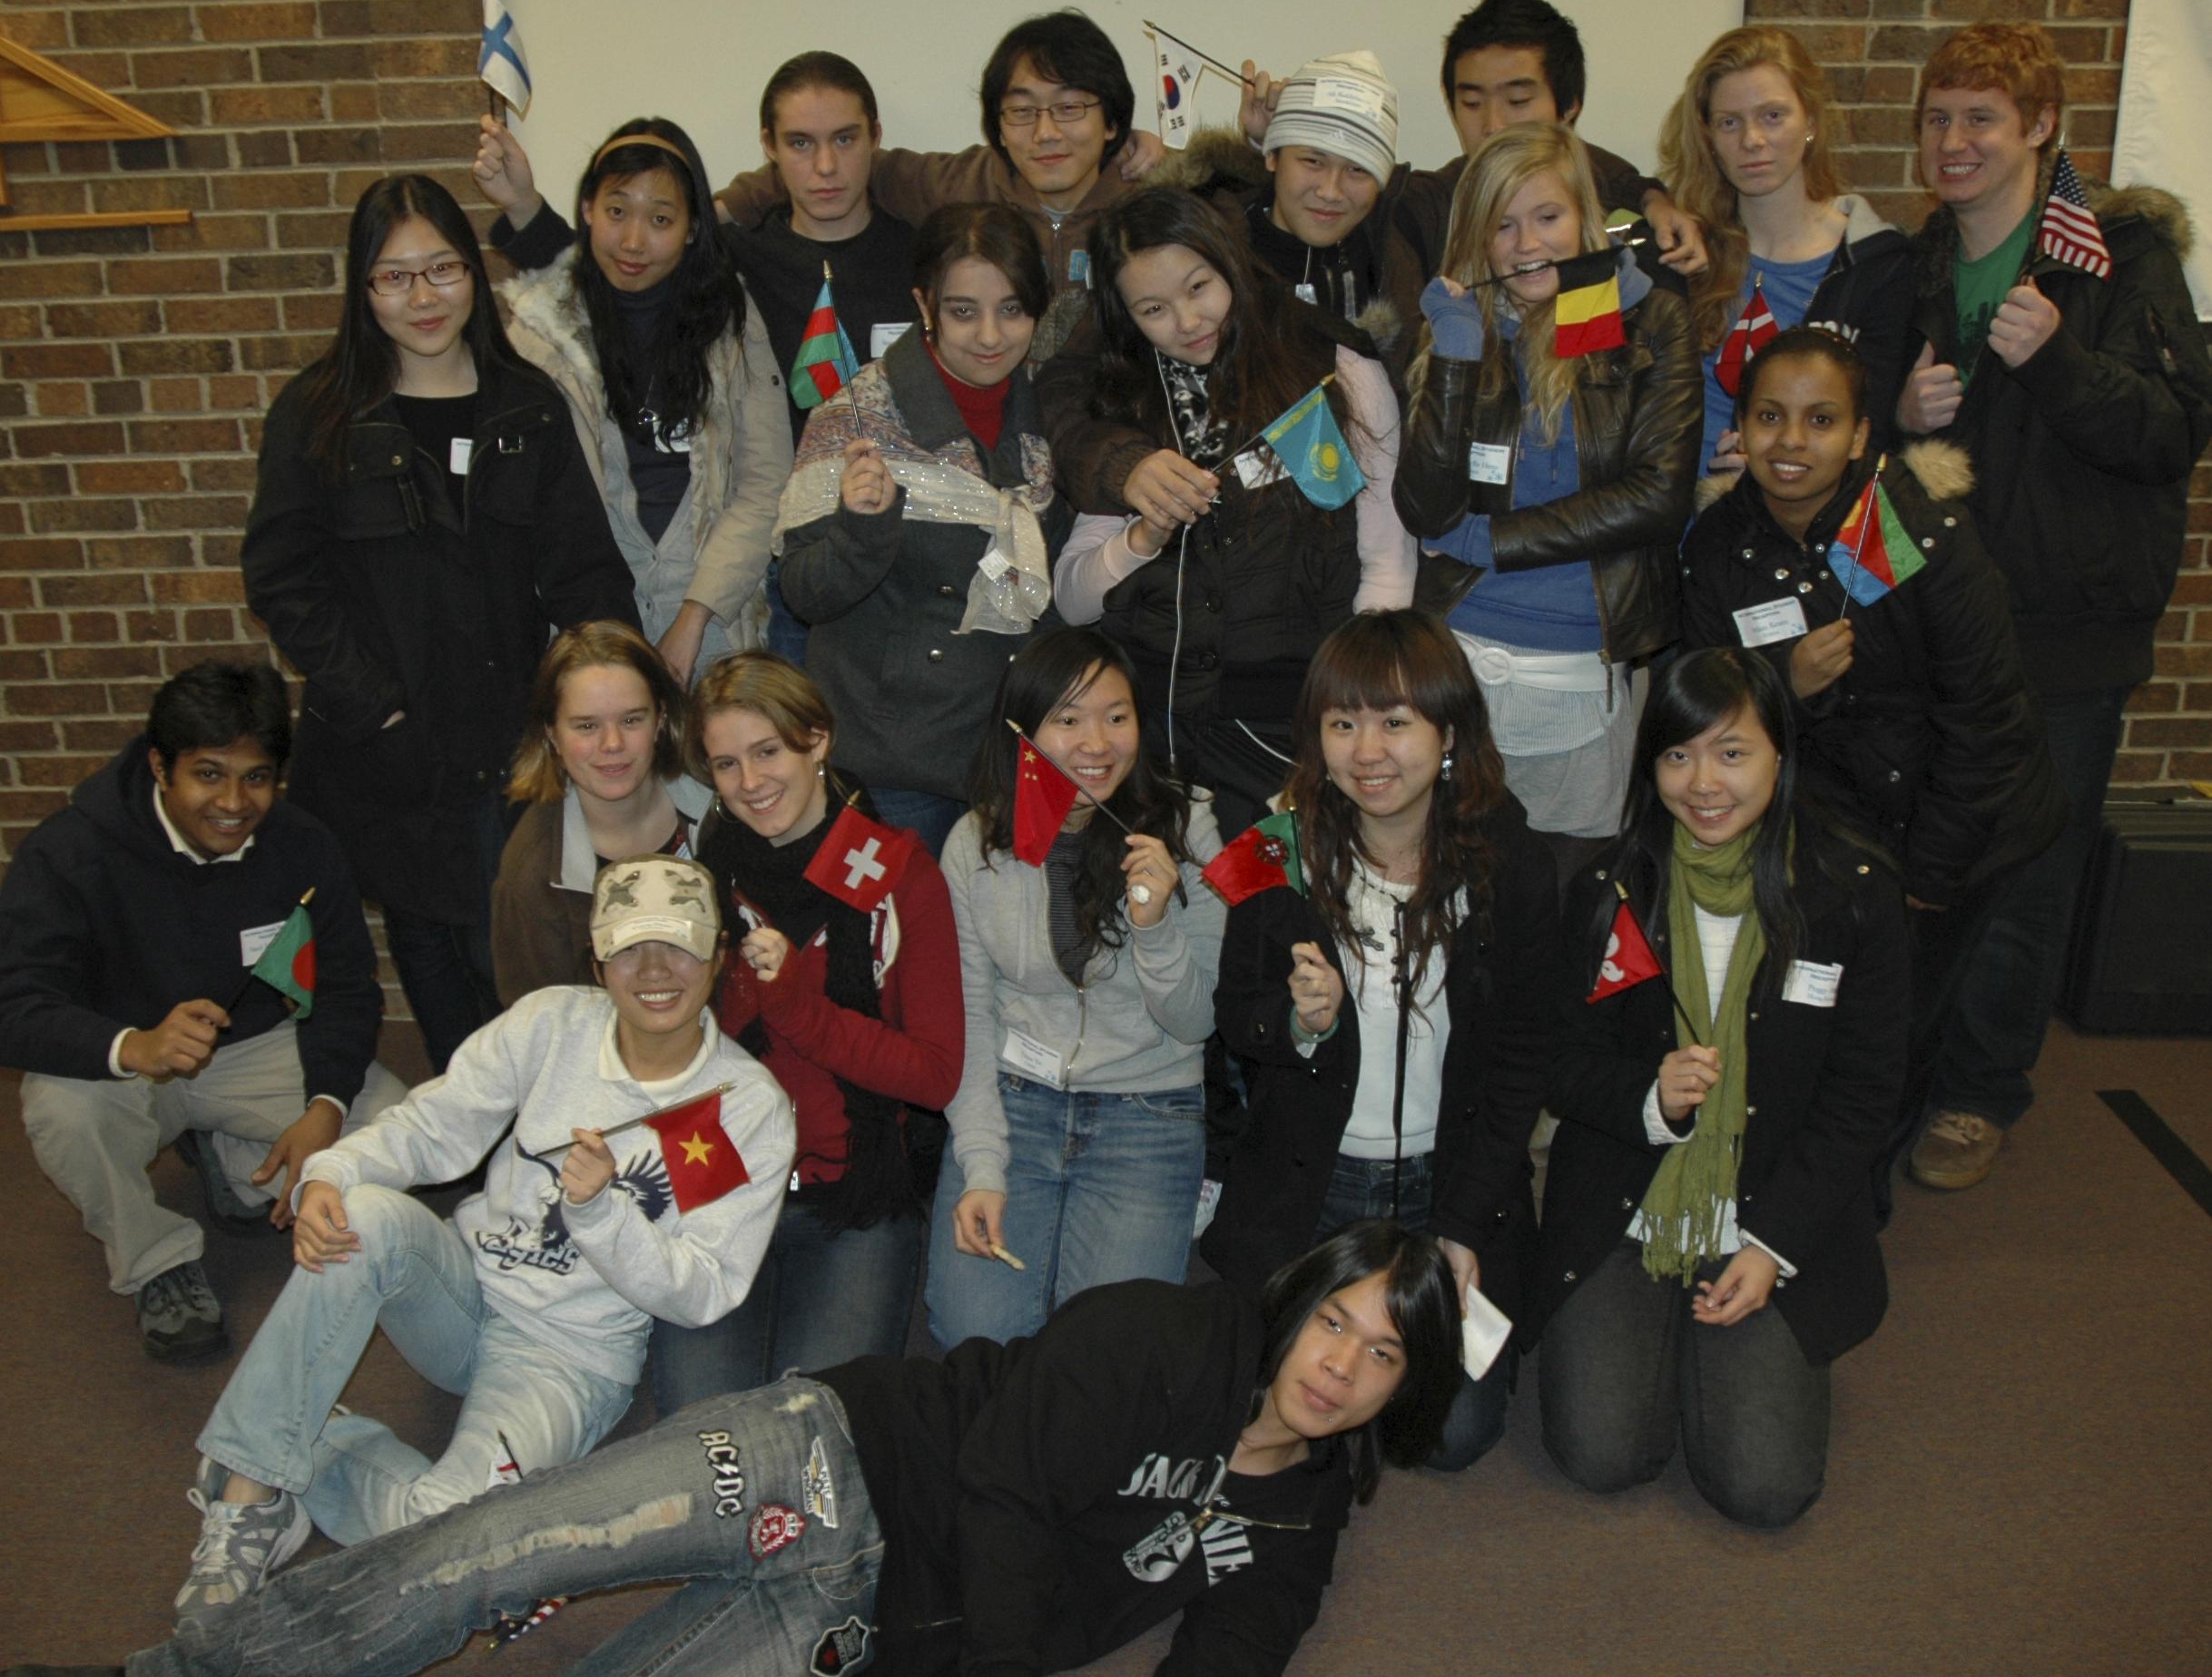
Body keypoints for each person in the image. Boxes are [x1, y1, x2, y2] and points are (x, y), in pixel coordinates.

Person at [23, 1221, 1460, 1677]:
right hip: (820, 1459)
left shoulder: (1299, 1516)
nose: (1340, 1367)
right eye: (1334, 1322)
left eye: (1384, 1354)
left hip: (856, 1628)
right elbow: (1008, 1494)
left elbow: (1239, 1648)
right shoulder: (1163, 1335)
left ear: (1403, 1388)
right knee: (488, 1556)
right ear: (1293, 1304)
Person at [169, 857, 794, 1625]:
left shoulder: (742, 1107)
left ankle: (294, 1438)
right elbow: (435, 1126)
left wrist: (601, 1212)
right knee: (360, 1210)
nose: (657, 969)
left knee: (451, 1542)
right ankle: (248, 1494)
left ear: (719, 956)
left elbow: (703, 1292)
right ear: (598, 959)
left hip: (567, 1354)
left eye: (681, 944)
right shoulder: (552, 1023)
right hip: (463, 1286)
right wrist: (331, 1170)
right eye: (631, 947)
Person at [1892, 22, 2212, 1191]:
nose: (1954, 140)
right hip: (1940, 621)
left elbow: (2174, 431)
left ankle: (1976, 1097)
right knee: (1922, 857)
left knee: (2026, 878)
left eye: (1981, 117)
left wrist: (2058, 361)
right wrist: (1900, 413)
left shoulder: (2119, 258)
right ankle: (1905, 1072)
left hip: (2068, 635)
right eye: (1938, 117)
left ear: (2038, 127)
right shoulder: (1922, 262)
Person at [241, 174, 637, 1076]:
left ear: (473, 272)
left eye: (443, 269)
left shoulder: (526, 404)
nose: (422, 297)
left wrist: (607, 707)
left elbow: (585, 570)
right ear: (362, 288)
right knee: (427, 942)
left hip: (508, 734)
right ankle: (477, 1117)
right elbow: (280, 577)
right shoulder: (317, 412)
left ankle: (534, 1115)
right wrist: (374, 702)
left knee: (511, 947)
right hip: (388, 742)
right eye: (394, 277)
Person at [1679, 328, 2065, 1203]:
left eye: (1820, 420)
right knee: (1802, 1015)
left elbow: (1985, 722)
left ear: (1859, 435)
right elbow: (1702, 704)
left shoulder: (1919, 531)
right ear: (1740, 426)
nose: (1790, 441)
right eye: (1769, 417)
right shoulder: (1718, 543)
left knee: (1891, 1030)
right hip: (1829, 823)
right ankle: (1786, 1186)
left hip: (1956, 822)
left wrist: (1928, 876)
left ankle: (1852, 1212)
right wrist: (1783, 681)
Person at [1535, 646, 1905, 1527]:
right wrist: (1649, 1099)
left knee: (1763, 1488)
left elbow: (1862, 1096)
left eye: (1731, 752)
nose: (1702, 783)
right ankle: (1651, 1321)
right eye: (1677, 755)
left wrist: (1771, 1245)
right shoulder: (1607, 890)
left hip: (1773, 1209)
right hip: (1628, 1201)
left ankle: (1722, 1326)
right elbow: (1559, 1058)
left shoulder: (1849, 895)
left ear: (1780, 753)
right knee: (1600, 1453)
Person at [1208, 610, 1559, 1470]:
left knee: (1450, 1437)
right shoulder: (1274, 845)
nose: (1367, 751)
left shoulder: (1508, 855)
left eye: (1395, 722)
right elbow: (1235, 1013)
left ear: (1448, 733)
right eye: (1342, 724)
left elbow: (1525, 1051)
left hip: (1447, 1178)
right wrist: (1299, 1022)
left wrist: (1463, 1222)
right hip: (1313, 1178)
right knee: (1251, 1393)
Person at [0, 662, 407, 1362]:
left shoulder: (303, 844)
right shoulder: (68, 852)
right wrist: (133, 1045)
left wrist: (325, 1106)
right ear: (161, 767)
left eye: (256, 777)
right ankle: (156, 1261)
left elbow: (345, 985)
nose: (233, 802)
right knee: (61, 1110)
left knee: (392, 1128)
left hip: (252, 1046)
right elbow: (13, 1004)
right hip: (127, 1060)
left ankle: (234, 1156)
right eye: (209, 774)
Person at [475, 59, 919, 662]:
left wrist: (695, 617)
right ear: (769, 147)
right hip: (649, 595)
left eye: (844, 139)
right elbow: (591, 286)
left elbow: (760, 478)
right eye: (799, 142)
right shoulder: (734, 264)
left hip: (832, 562)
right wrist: (525, 209)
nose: (824, 166)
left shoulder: (905, 257)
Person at [652, 652, 962, 1413]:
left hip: (851, 1196)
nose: (750, 782)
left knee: (813, 1422)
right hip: (722, 1182)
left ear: (817, 739)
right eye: (726, 764)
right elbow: (675, 1057)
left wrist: (797, 1006)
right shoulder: (703, 875)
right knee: (698, 1429)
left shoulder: (900, 872)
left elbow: (934, 1074)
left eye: (768, 751)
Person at [1050, 186, 1414, 834]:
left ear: (1230, 265)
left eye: (1199, 287)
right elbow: (1074, 601)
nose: (1188, 321)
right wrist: (1140, 535)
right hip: (1151, 725)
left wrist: (1358, 711)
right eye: (1153, 309)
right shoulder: (1121, 395)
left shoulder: (1331, 366)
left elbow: (1386, 558)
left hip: (1286, 721)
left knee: (1277, 891)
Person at [1394, 123, 1701, 886]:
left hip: (1576, 675)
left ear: (1584, 218)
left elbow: (1656, 497)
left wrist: (1485, 540)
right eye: (1501, 223)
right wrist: (1454, 357)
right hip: (1455, 663)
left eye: (1547, 216)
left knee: (1565, 907)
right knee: (1447, 903)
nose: (1526, 243)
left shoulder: (1649, 321)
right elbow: (1426, 509)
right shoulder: (1461, 327)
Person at [929, 627, 1225, 1348]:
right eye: (1067, 719)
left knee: (1106, 1349)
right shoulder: (974, 841)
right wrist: (982, 1165)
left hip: (1147, 1107)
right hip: (1014, 1100)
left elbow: (1195, 1023)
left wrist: (1155, 925)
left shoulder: (1187, 826)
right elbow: (968, 1017)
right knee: (976, 1339)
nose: (1097, 743)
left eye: (1116, 716)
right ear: (1023, 732)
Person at [775, 201, 1072, 854]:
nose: (990, 336)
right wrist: (863, 527)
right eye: (963, 311)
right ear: (924, 304)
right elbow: (803, 593)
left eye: (1012, 309)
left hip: (1007, 756)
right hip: (893, 765)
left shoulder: (1045, 418)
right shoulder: (857, 416)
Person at [477, 116, 791, 684]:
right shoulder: (542, 335)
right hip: (585, 624)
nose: (633, 241)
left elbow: (763, 483)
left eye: (661, 219)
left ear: (692, 228)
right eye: (617, 211)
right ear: (587, 211)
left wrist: (694, 617)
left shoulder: (732, 324)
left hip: (715, 620)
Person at [716, 10, 1159, 361]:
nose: (1046, 133)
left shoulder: (1149, 202)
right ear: (998, 125)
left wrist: (1167, 156)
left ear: (1112, 120)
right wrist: (721, 206)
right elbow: (845, 164)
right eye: (1022, 111)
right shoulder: (964, 186)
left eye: (1070, 108)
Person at [1659, 25, 1915, 474]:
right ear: (1709, 138)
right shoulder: (1684, 251)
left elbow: (1870, 432)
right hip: (1680, 511)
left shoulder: (1876, 264)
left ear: (1810, 122)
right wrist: (1651, 199)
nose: (1752, 140)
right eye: (1729, 122)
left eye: (1773, 116)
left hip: (1801, 513)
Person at [1131, 51, 1425, 375]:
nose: (1330, 191)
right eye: (1313, 161)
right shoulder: (1209, 247)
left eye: (1358, 169)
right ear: (1271, 156)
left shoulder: (1396, 252)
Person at [1395, 0, 1706, 279]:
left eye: (1517, 101)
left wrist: (1652, 198)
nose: (1493, 125)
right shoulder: (1429, 207)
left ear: (1569, 106)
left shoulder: (1624, 204)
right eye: (1472, 103)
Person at [489, 621, 699, 1005]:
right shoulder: (532, 876)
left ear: (661, 719)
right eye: (586, 726)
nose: (612, 743)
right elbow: (541, 1024)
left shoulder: (721, 814)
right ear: (552, 734)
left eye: (631, 720)